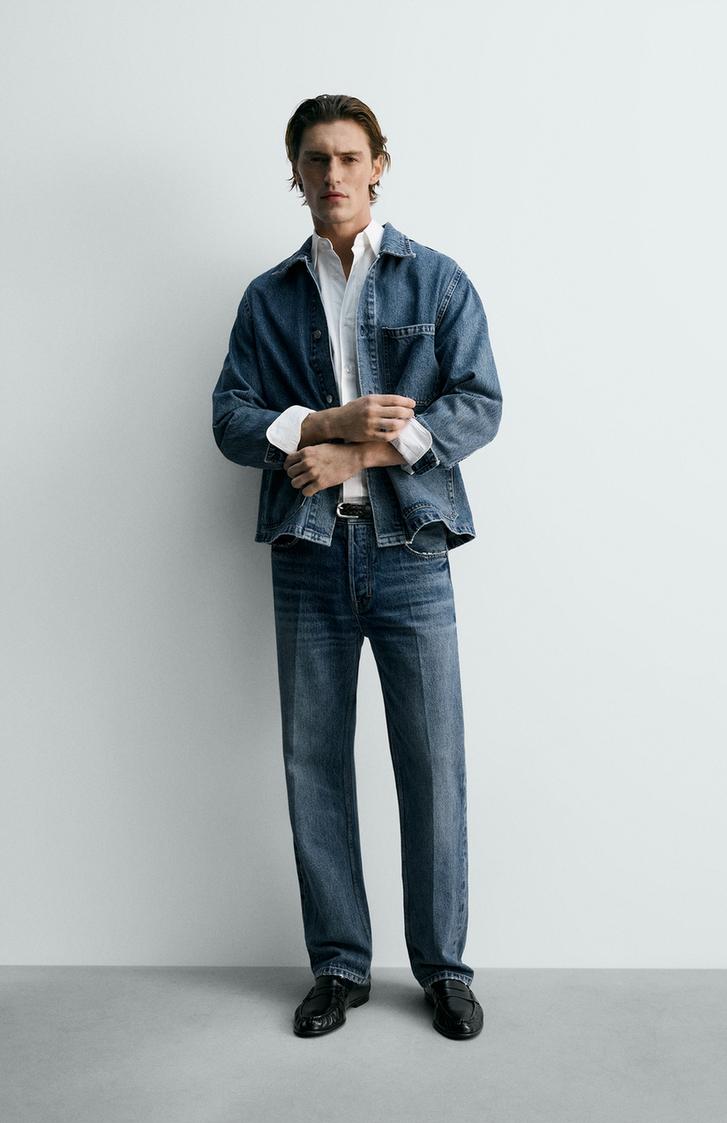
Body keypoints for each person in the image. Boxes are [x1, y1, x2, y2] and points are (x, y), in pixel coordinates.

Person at [212, 94, 502, 1040]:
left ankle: (444, 968)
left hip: (411, 549)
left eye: (348, 157)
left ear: (379, 165)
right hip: (308, 554)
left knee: (433, 764)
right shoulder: (268, 297)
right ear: (294, 173)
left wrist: (363, 454)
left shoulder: (437, 280)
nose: (332, 175)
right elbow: (230, 418)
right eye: (314, 159)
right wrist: (326, 424)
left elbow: (478, 403)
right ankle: (339, 965)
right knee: (315, 766)